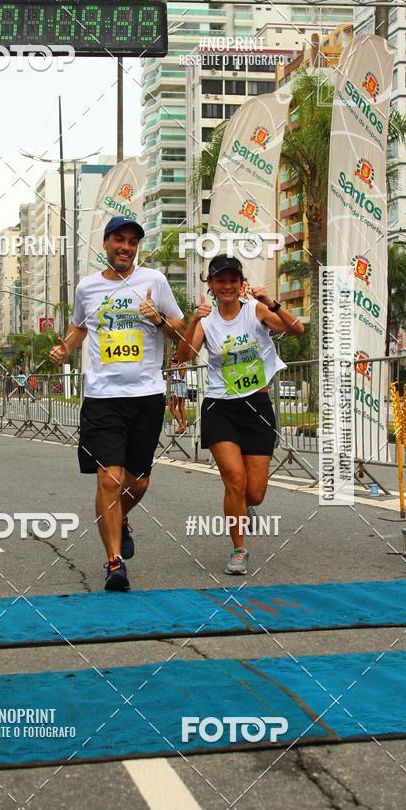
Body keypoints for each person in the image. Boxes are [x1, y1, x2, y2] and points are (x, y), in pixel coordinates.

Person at [49, 215, 185, 591]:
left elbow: (180, 329)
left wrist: (157, 318)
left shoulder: (154, 281)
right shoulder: (87, 287)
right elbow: (80, 326)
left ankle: (119, 519)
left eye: (132, 242)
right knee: (109, 478)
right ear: (106, 244)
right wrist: (64, 349)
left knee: (136, 483)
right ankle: (114, 562)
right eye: (119, 240)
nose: (126, 247)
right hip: (102, 397)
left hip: (146, 396)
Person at [177, 255, 304, 575]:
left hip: (257, 407)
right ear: (211, 285)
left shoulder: (255, 310)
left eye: (233, 280)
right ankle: (238, 549)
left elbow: (297, 329)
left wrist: (271, 302)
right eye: (221, 281)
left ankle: (245, 506)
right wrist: (193, 320)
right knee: (234, 479)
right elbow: (184, 357)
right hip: (221, 407)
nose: (228, 286)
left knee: (255, 493)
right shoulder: (206, 321)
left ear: (241, 283)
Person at [168, 353, 188, 434]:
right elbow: (169, 374)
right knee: (181, 408)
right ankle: (184, 428)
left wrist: (179, 366)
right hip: (179, 385)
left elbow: (182, 376)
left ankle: (181, 425)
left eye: (175, 356)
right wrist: (169, 365)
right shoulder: (177, 365)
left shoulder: (183, 364)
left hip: (180, 385)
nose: (174, 358)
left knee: (171, 407)